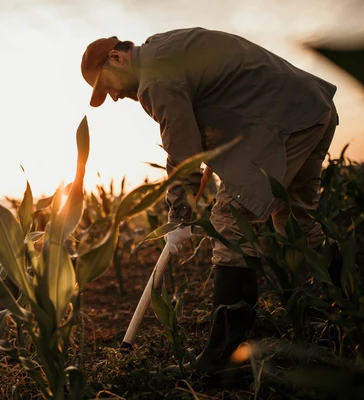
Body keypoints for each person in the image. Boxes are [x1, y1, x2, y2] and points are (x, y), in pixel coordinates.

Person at [80, 27, 339, 375]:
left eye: (105, 85)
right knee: (297, 222)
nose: (112, 95)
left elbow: (181, 150)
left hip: (282, 124)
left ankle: (223, 361)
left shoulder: (155, 80)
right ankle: (344, 310)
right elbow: (217, 97)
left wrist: (178, 215)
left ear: (116, 57)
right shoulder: (162, 49)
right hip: (311, 108)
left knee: (232, 222)